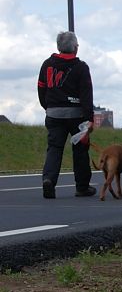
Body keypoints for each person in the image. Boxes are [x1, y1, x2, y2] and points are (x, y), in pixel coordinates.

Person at [37, 31, 95, 198]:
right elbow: (86, 94)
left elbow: (41, 88)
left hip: (54, 113)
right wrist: (89, 118)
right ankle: (82, 187)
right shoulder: (81, 67)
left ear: (58, 47)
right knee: (80, 149)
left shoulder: (47, 64)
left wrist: (47, 107)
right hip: (76, 115)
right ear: (75, 47)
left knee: (54, 148)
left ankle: (48, 180)